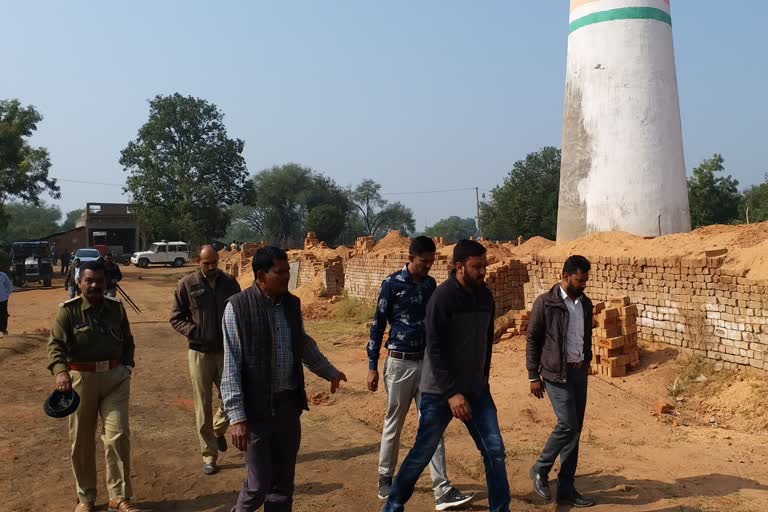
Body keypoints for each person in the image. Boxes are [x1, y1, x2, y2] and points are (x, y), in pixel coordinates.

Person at [383, 240, 511, 512]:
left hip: (476, 391)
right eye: (476, 267)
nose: (482, 272)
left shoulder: (485, 297)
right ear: (459, 266)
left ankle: (501, 508)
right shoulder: (442, 298)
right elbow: (436, 349)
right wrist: (452, 393)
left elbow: (486, 344)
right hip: (439, 392)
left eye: (484, 266)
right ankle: (393, 505)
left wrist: (482, 380)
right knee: (422, 453)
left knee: (495, 452)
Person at [221, 246, 347, 512]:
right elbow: (231, 365)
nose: (287, 277)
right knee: (257, 487)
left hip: (288, 407)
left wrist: (330, 372)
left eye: (288, 271)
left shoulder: (291, 304)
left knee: (282, 487)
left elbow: (302, 344)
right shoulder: (237, 308)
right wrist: (237, 417)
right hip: (256, 411)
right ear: (260, 275)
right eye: (280, 272)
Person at [367, 236, 471, 509]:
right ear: (410, 258)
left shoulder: (430, 285)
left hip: (426, 364)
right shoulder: (391, 285)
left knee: (432, 424)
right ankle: (385, 477)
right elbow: (377, 326)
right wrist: (371, 366)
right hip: (399, 363)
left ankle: (442, 489)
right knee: (395, 421)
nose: (428, 266)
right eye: (424, 262)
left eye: (432, 261)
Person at [47, 260, 139, 512]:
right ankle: (86, 497)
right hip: (80, 381)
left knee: (118, 435)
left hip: (114, 380)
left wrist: (127, 367)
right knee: (81, 440)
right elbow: (55, 345)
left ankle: (119, 497)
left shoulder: (116, 309)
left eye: (99, 280)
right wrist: (60, 371)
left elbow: (128, 341)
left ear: (107, 282)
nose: (95, 285)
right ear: (79, 283)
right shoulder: (68, 311)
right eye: (89, 280)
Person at [526, 255, 595, 508]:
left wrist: (586, 361)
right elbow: (532, 339)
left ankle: (566, 488)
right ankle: (540, 468)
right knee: (567, 424)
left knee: (574, 432)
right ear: (565, 276)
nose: (583, 285)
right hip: (556, 373)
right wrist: (533, 375)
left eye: (586, 280)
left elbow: (584, 336)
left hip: (579, 373)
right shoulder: (546, 303)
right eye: (579, 280)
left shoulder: (585, 304)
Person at [170, 245, 241, 475]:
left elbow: (239, 312)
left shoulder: (230, 283)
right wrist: (194, 331)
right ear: (198, 262)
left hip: (226, 352)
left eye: (214, 262)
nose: (210, 267)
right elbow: (176, 317)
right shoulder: (187, 284)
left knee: (233, 398)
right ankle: (209, 455)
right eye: (206, 263)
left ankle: (218, 430)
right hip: (199, 353)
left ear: (218, 260)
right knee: (202, 405)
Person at [0, 267, 12, 336]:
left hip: (3, 299)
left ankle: (4, 329)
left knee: (3, 315)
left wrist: (6, 295)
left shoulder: (3, 275)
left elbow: (9, 286)